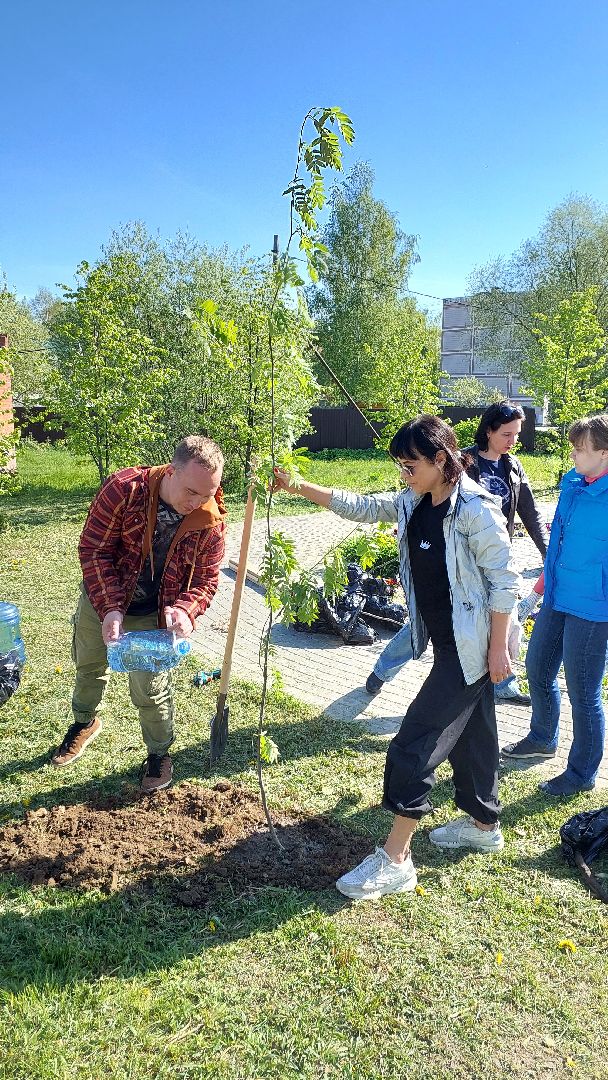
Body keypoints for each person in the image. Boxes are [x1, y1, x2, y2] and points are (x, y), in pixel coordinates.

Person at [274, 415, 519, 900]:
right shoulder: (415, 501)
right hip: (447, 642)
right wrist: (298, 486)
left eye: (410, 465)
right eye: (400, 466)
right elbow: (361, 506)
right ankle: (483, 825)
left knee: (414, 741)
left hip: (471, 647)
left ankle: (396, 859)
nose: (403, 474)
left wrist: (496, 649)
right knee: (474, 734)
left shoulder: (476, 510)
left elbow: (505, 583)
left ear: (441, 460)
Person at [51, 435, 226, 793]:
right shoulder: (124, 490)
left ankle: (159, 755)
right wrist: (111, 607)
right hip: (102, 597)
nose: (198, 503)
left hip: (155, 614)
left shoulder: (210, 520)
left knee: (151, 691)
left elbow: (208, 578)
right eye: (192, 492)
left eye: (208, 494)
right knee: (89, 664)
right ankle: (84, 722)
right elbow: (94, 549)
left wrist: (185, 610)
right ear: (172, 471)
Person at [366, 401, 547, 704]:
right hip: (458, 563)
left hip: (491, 559)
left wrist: (547, 551)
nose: (513, 440)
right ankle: (382, 671)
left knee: (501, 619)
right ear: (489, 431)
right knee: (424, 623)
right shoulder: (464, 462)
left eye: (517, 434)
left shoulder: (513, 466)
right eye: (507, 433)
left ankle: (499, 683)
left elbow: (529, 512)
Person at [502, 415, 608, 796]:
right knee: (538, 668)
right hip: (558, 596)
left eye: (581, 449)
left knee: (584, 691)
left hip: (595, 609)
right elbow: (556, 546)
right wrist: (535, 593)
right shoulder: (573, 484)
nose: (574, 454)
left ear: (604, 453)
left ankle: (581, 773)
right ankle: (542, 737)